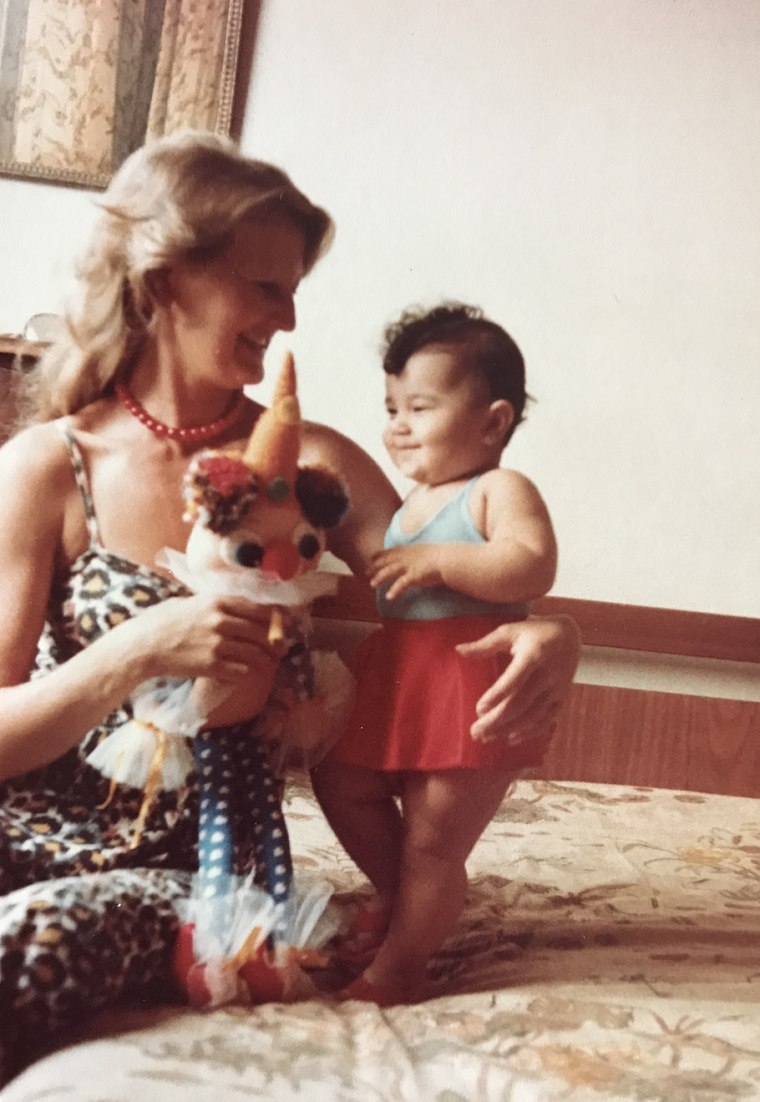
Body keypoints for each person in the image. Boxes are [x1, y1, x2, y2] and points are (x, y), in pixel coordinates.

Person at [0, 131, 578, 1082]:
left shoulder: (314, 463)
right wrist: (137, 649)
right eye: (268, 286)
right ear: (168, 278)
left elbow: (450, 588)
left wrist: (558, 632)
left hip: (199, 866)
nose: (291, 314)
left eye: (294, 286)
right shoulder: (50, 466)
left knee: (34, 939)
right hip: (25, 824)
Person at [312, 303, 559, 1005]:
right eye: (390, 406)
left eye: (419, 406)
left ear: (494, 421)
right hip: (400, 673)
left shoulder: (498, 489)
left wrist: (444, 561)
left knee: (432, 833)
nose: (396, 424)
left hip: (468, 680)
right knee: (338, 776)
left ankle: (402, 965)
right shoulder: (411, 502)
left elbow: (532, 564)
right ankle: (407, 898)